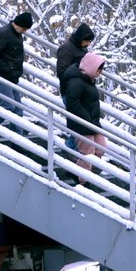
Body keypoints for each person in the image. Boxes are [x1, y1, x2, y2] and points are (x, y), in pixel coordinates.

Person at [0, 12, 33, 140]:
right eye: (24, 29)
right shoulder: (3, 34)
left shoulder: (16, 34)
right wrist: (8, 69)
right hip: (1, 75)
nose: (24, 32)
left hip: (12, 76)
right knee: (8, 107)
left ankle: (19, 139)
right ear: (18, 25)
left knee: (18, 110)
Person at [64, 52, 107, 185]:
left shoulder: (88, 80)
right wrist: (87, 118)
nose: (100, 72)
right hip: (81, 124)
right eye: (98, 69)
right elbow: (73, 103)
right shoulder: (76, 81)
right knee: (87, 153)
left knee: (101, 147)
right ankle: (83, 181)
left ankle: (78, 169)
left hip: (92, 123)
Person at [56, 23, 96, 100]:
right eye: (87, 41)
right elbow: (62, 73)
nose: (88, 44)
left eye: (90, 41)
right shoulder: (66, 49)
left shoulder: (82, 49)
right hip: (72, 93)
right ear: (81, 38)